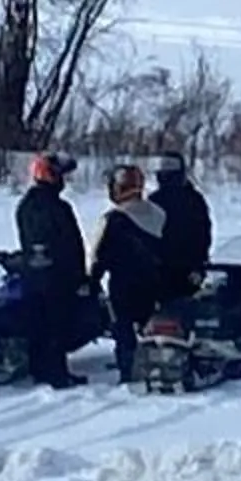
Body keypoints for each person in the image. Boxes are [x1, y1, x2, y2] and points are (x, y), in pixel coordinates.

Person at [88, 164, 169, 387]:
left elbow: (98, 256)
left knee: (123, 328)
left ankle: (127, 370)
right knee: (151, 324)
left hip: (122, 285)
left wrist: (92, 280)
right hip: (154, 282)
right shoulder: (158, 214)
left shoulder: (113, 220)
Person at [13, 154, 88, 389]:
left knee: (38, 323)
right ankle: (57, 374)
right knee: (57, 325)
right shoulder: (58, 207)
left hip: (33, 273)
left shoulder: (26, 205)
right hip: (58, 275)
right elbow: (70, 244)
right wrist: (79, 276)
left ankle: (40, 369)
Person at [151, 152, 212, 291]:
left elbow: (203, 235)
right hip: (161, 271)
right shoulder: (155, 201)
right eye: (163, 171)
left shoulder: (194, 201)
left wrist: (199, 264)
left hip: (186, 270)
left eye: (168, 172)